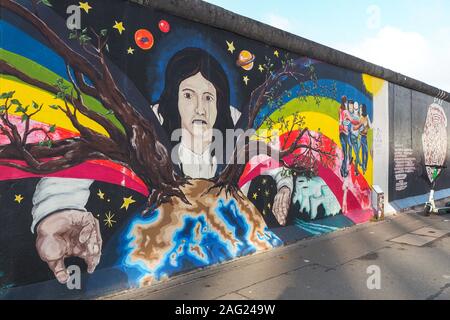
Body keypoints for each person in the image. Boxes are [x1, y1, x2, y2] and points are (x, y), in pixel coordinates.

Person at [29, 48, 295, 284]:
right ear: (175, 96)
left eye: (208, 98)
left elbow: (269, 158)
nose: (200, 108)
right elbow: (89, 154)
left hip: (231, 242)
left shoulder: (234, 126)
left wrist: (284, 185)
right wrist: (56, 209)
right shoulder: (148, 124)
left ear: (219, 101)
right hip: (158, 249)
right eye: (189, 95)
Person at [359, 104, 371, 174]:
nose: (360, 110)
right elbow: (360, 129)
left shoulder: (366, 117)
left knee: (366, 153)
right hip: (362, 137)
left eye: (361, 109)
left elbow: (370, 126)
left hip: (365, 137)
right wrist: (364, 126)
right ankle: (364, 168)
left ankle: (365, 167)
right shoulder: (360, 118)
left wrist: (367, 123)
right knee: (363, 153)